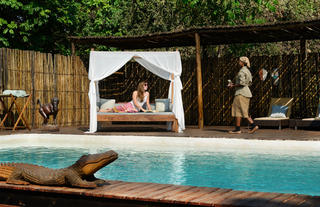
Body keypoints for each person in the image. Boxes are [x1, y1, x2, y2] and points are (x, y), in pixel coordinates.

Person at [228, 57, 258, 134]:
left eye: (239, 61)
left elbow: (242, 83)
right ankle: (237, 129)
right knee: (238, 111)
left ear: (242, 62)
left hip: (241, 93)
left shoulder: (242, 71)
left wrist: (233, 85)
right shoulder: (247, 71)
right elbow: (249, 82)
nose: (238, 62)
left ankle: (253, 125)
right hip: (246, 92)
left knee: (243, 111)